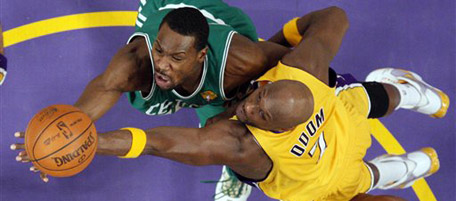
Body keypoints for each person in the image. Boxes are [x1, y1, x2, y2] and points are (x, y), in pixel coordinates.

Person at [12, 6, 448, 201]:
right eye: (257, 94)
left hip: (336, 138)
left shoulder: (244, 139)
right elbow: (334, 18)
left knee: (364, 166)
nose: (246, 105)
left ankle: (409, 134)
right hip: (328, 133)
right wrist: (75, 136)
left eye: (259, 112)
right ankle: (407, 98)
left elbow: (159, 143)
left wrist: (91, 142)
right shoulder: (295, 72)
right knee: (375, 101)